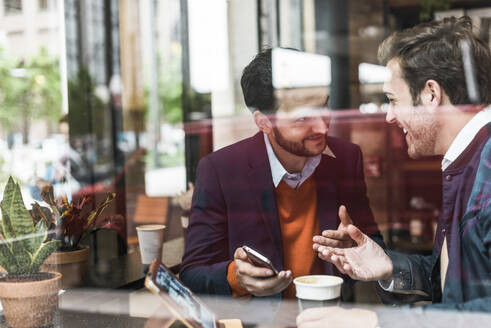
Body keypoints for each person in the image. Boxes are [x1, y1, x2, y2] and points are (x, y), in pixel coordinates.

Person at [300, 16, 491, 327]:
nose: (389, 116)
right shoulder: (467, 161)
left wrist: (377, 322)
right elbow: (464, 285)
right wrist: (388, 265)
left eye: (392, 100)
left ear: (431, 94)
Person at [179, 48, 383, 300]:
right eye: (302, 118)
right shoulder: (221, 170)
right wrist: (236, 276)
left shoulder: (346, 158)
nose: (322, 126)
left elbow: (376, 247)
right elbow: (193, 273)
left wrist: (355, 245)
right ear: (263, 122)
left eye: (324, 105)